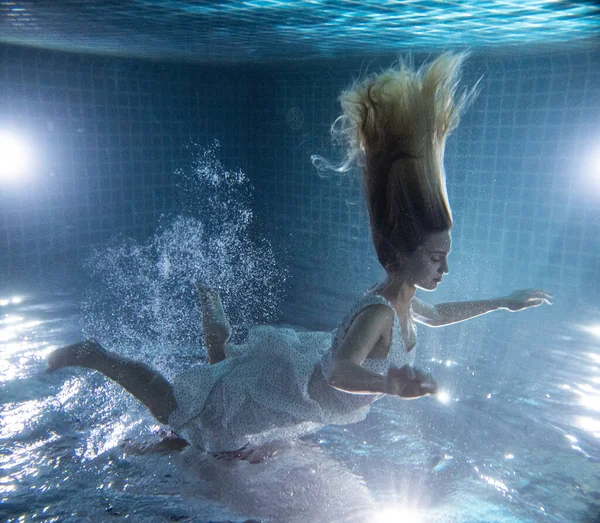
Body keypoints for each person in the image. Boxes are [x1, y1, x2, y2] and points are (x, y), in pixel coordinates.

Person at [46, 52, 551, 454]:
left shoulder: (405, 300)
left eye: (446, 255)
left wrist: (502, 302)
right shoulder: (378, 313)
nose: (446, 267)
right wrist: (389, 384)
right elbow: (339, 373)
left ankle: (216, 326)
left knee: (223, 394)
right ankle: (94, 355)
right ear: (399, 258)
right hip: (293, 389)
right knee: (178, 409)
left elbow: (438, 315)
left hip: (294, 382)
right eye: (436, 257)